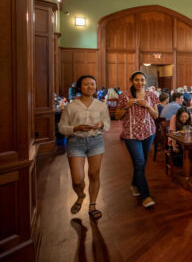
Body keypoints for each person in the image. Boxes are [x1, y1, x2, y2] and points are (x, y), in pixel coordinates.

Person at [58, 75, 110, 220]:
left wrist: (101, 125)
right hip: (76, 142)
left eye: (92, 84)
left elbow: (107, 123)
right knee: (77, 180)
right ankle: (81, 195)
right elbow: (62, 127)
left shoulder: (101, 105)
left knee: (94, 174)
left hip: (96, 141)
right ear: (80, 87)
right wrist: (76, 128)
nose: (90, 87)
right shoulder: (71, 106)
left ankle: (92, 205)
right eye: (86, 84)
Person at [115, 71, 159, 208]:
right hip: (131, 134)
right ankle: (145, 196)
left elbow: (156, 115)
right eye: (136, 80)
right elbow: (117, 116)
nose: (139, 82)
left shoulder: (151, 95)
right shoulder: (124, 96)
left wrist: (147, 105)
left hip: (149, 132)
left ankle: (134, 184)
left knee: (141, 162)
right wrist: (127, 107)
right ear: (132, 81)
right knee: (139, 161)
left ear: (145, 82)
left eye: (142, 80)